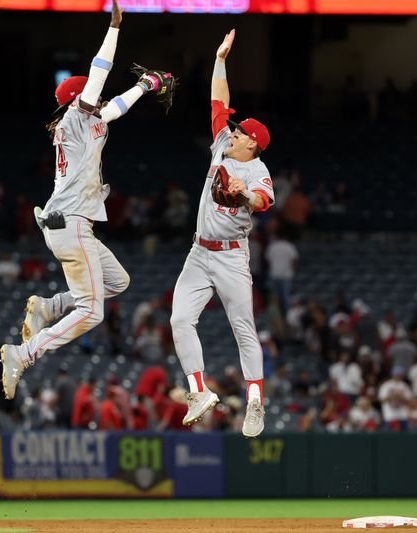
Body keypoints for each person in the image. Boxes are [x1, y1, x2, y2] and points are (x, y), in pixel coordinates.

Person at [0, 0, 174, 400]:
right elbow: (100, 73)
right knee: (92, 311)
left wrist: (147, 86)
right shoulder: (76, 118)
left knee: (118, 281)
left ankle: (49, 305)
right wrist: (114, 29)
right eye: (90, 95)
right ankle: (23, 353)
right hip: (71, 222)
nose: (97, 98)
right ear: (79, 99)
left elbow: (114, 108)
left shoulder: (90, 121)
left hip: (72, 223)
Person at [169, 29, 274, 438]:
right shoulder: (220, 145)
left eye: (240, 131)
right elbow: (218, 101)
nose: (232, 130)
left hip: (231, 255)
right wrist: (220, 59)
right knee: (179, 320)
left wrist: (243, 193)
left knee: (243, 327)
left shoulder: (257, 170)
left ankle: (254, 401)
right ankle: (198, 391)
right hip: (199, 253)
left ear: (253, 144)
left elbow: (263, 202)